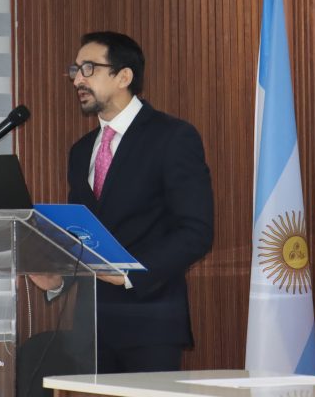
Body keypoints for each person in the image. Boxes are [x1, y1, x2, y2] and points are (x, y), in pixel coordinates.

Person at [33, 31, 214, 374]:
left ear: (124, 77)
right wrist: (58, 278)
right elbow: (84, 234)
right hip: (90, 330)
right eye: (75, 70)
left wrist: (131, 273)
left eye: (89, 68)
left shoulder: (172, 137)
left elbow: (196, 232)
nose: (77, 80)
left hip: (150, 324)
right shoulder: (80, 151)